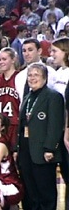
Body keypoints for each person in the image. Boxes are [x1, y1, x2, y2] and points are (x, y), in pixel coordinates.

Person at [15, 63, 64, 210]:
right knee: (30, 192)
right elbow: (22, 124)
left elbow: (55, 125)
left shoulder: (53, 96)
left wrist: (50, 148)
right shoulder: (28, 97)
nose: (32, 78)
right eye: (30, 75)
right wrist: (17, 148)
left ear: (45, 77)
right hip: (26, 152)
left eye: (36, 74)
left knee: (45, 191)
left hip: (43, 152)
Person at [50, 37, 69, 209]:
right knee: (65, 172)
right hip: (59, 130)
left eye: (55, 51)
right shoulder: (56, 74)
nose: (52, 54)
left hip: (67, 130)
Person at [15, 38, 57, 103]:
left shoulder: (50, 73)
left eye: (30, 50)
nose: (26, 54)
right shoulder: (19, 77)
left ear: (39, 51)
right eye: (24, 51)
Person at [0, 47, 20, 150]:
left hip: (15, 123)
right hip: (2, 124)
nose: (1, 62)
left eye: (4, 59)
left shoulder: (20, 77)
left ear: (13, 60)